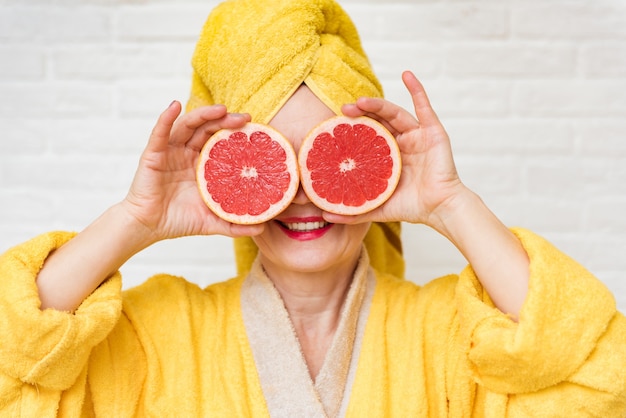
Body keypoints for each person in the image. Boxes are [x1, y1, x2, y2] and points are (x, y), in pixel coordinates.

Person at [1, 0, 625, 416]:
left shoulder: (450, 334)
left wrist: (451, 204)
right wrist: (133, 219)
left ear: (381, 161)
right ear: (222, 173)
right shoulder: (162, 330)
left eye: (329, 158)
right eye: (269, 161)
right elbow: (15, 373)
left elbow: (599, 374)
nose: (301, 191)